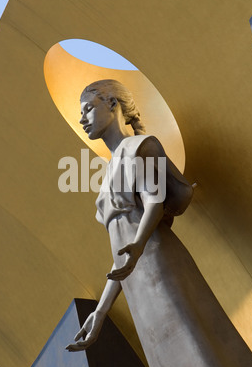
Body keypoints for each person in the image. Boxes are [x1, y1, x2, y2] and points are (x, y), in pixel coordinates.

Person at [65, 79, 193, 352]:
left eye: (88, 109)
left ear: (112, 104)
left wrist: (138, 246)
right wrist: (100, 312)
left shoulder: (141, 146)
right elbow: (121, 259)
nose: (82, 119)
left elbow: (154, 200)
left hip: (160, 262)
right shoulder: (108, 176)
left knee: (193, 348)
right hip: (137, 282)